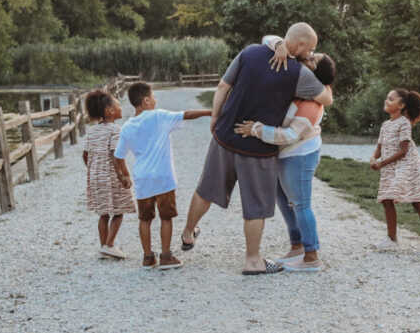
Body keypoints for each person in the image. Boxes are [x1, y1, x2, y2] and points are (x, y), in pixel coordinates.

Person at [181, 22, 333, 275]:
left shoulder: (250, 51)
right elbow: (326, 99)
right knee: (255, 206)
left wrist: (216, 118)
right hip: (258, 147)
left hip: (226, 135)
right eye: (311, 49)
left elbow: (222, 87)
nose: (310, 53)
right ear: (303, 44)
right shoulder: (299, 73)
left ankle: (187, 233)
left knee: (205, 190)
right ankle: (252, 261)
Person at [234, 35, 336, 272]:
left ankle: (312, 257)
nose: (308, 56)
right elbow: (267, 38)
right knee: (283, 199)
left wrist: (256, 130)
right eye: (311, 53)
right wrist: (280, 45)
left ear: (317, 73)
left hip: (299, 154)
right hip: (286, 154)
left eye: (313, 58)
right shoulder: (301, 90)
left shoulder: (311, 105)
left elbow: (290, 135)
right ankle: (297, 245)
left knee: (301, 204)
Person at [113, 82, 211, 269]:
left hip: (143, 180)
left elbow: (118, 156)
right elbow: (187, 114)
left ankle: (148, 257)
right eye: (153, 97)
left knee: (145, 219)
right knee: (166, 218)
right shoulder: (158, 116)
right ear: (146, 100)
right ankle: (166, 256)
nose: (156, 101)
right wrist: (210, 112)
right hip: (163, 179)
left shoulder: (127, 127)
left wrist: (124, 176)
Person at [370, 89, 420, 255]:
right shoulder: (385, 125)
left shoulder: (404, 123)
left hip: (407, 167)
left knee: (417, 201)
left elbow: (403, 151)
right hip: (390, 168)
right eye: (387, 98)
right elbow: (380, 147)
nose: (386, 101)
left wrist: (381, 164)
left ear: (401, 105)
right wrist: (374, 158)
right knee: (387, 200)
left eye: (391, 99)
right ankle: (391, 239)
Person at [83, 89, 135, 260]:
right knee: (119, 211)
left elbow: (85, 155)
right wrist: (124, 176)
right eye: (118, 105)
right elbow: (116, 156)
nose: (121, 107)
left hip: (96, 176)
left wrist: (93, 170)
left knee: (103, 213)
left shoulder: (91, 131)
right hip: (112, 176)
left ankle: (103, 246)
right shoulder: (115, 130)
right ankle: (110, 244)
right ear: (109, 111)